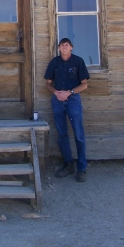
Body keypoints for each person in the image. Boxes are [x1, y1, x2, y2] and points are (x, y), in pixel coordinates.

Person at [44, 38, 90, 182]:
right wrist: (55, 92)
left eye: (67, 45)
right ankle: (68, 164)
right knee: (62, 133)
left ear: (71, 47)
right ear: (59, 48)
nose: (64, 47)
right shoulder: (54, 62)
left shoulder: (78, 62)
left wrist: (69, 92)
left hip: (73, 100)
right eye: (62, 45)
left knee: (78, 134)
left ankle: (82, 168)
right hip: (57, 100)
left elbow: (84, 85)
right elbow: (48, 84)